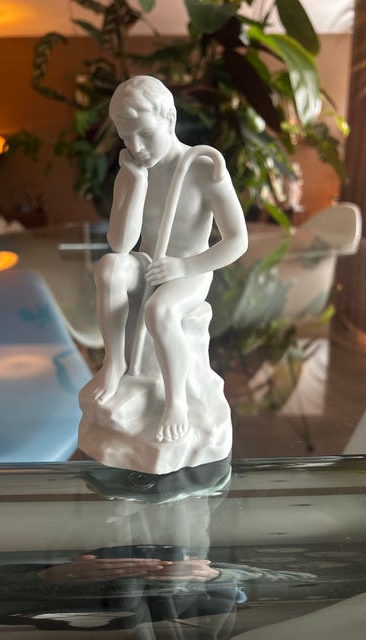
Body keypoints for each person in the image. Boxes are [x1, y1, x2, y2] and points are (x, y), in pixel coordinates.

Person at [89, 76, 248, 443]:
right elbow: (120, 244)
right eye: (127, 138)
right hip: (149, 260)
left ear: (170, 119)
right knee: (110, 268)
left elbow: (238, 241)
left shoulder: (204, 168)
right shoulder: (132, 171)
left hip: (190, 268)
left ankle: (176, 402)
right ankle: (114, 362)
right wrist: (136, 183)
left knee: (159, 311)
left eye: (145, 133)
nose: (137, 147)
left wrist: (183, 267)